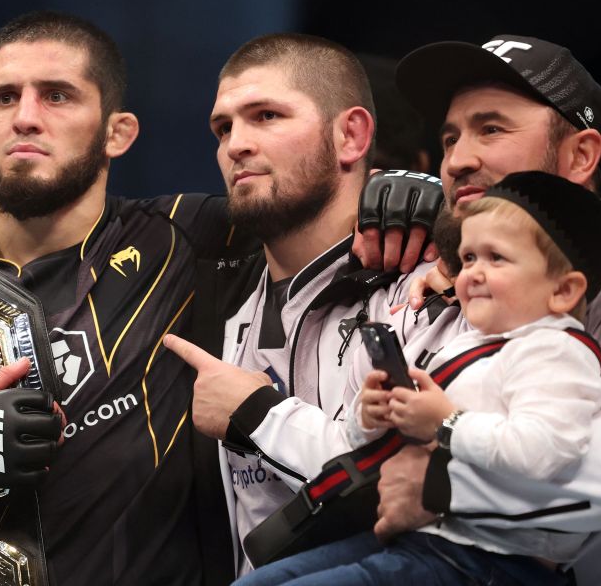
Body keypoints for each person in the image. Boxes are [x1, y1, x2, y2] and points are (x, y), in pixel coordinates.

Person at [0, 10, 265, 586]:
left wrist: (403, 208)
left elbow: (315, 205)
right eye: (4, 99)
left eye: (56, 96)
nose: (25, 118)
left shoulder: (185, 236)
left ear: (117, 132)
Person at [236, 171, 601, 585]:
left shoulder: (557, 349)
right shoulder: (470, 344)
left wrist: (445, 421)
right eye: (469, 258)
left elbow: (545, 451)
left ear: (563, 291)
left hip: (495, 563)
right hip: (427, 541)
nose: (471, 272)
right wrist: (373, 415)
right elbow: (392, 442)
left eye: (496, 258)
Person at [367, 35, 601, 586]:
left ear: (580, 156)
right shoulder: (447, 282)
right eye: (450, 138)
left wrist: (444, 488)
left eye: (491, 129)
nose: (456, 160)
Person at [162, 33, 441, 578]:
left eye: (266, 115)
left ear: (352, 135)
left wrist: (255, 414)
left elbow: (421, 490)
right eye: (223, 127)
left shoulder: (431, 284)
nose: (235, 144)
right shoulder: (207, 285)